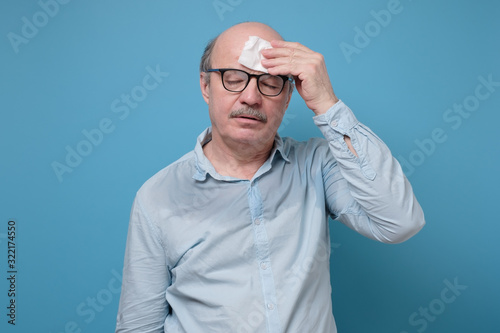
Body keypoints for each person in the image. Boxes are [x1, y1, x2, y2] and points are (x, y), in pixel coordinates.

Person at [115, 22, 425, 333]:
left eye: (270, 82)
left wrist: (327, 103)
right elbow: (138, 327)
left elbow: (399, 222)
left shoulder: (316, 166)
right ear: (206, 86)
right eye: (233, 79)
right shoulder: (157, 197)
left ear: (289, 96)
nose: (250, 97)